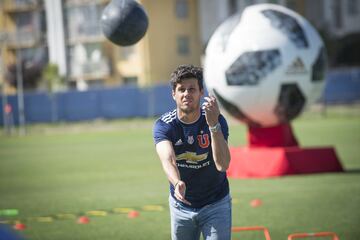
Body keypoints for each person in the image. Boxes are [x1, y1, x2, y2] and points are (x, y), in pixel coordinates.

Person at [153, 64, 232, 240]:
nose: (186, 94)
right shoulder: (164, 125)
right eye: (181, 89)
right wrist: (177, 182)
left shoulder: (216, 119)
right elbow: (168, 160)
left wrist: (214, 126)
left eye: (192, 89)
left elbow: (223, 164)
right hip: (180, 205)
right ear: (174, 94)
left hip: (216, 203)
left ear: (201, 92)